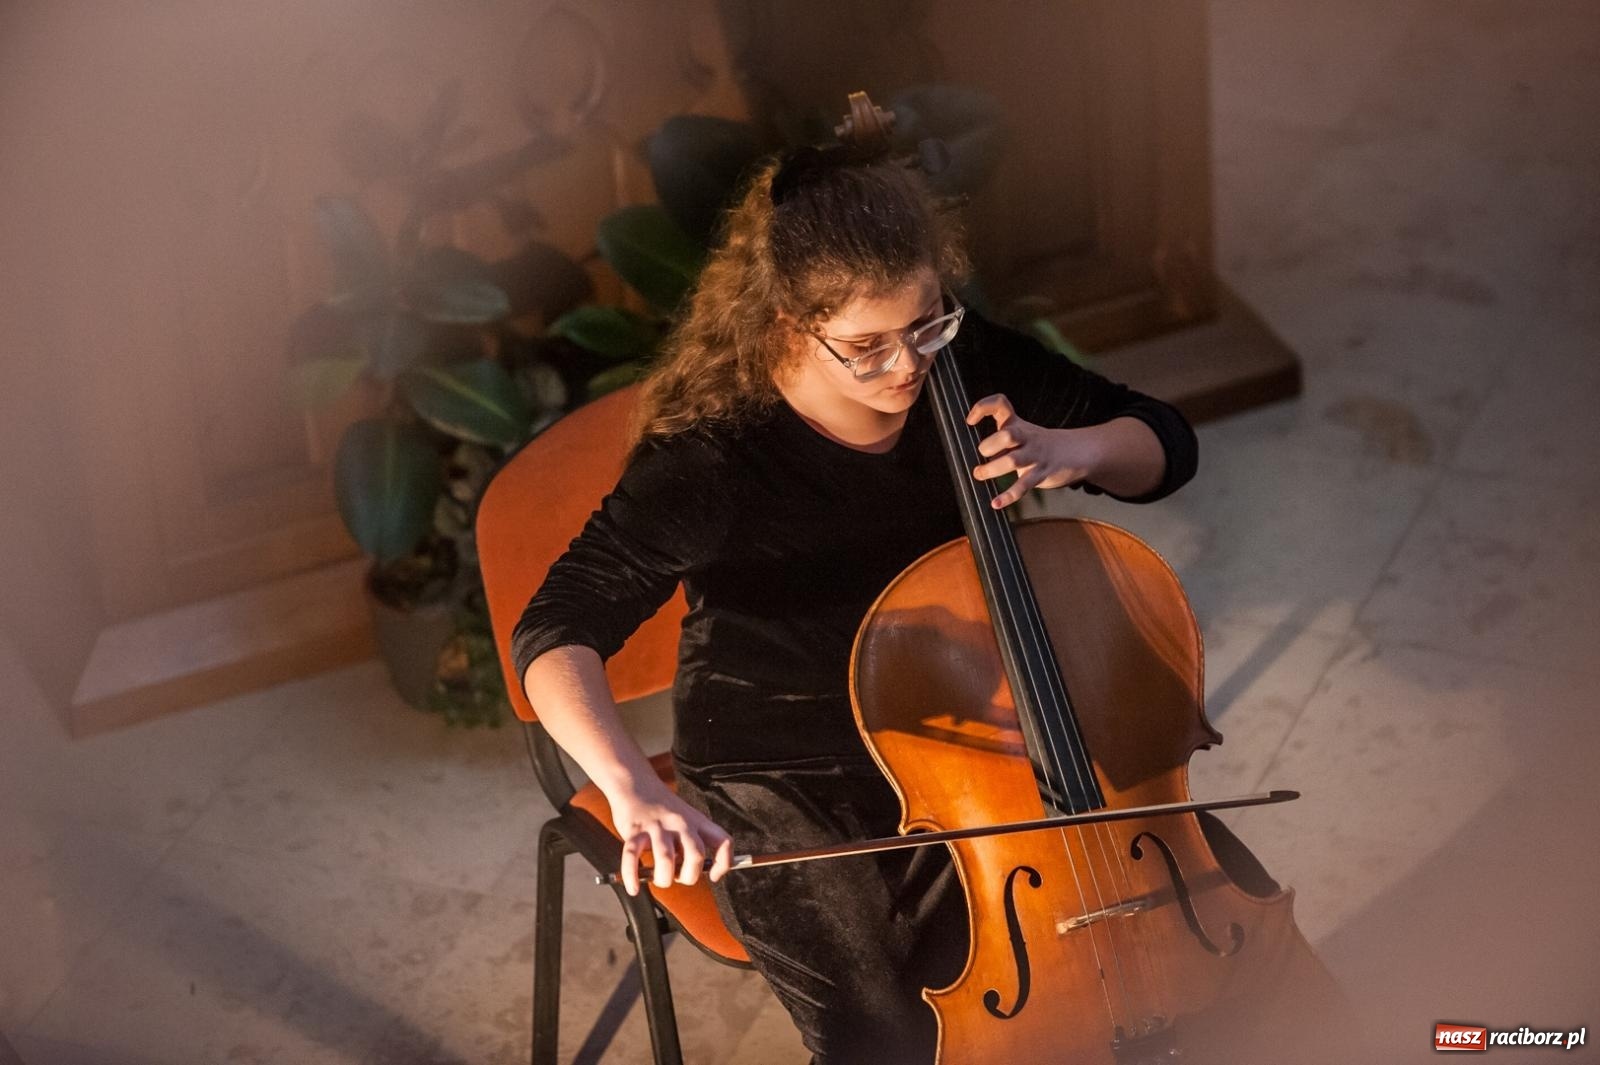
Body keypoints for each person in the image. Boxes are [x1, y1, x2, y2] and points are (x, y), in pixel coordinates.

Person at [512, 142, 1198, 1064]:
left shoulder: (961, 357)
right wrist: (631, 784)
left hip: (969, 730)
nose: (908, 366)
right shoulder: (714, 459)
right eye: (866, 347)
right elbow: (556, 626)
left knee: (1141, 945)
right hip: (791, 775)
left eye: (925, 325)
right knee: (889, 1038)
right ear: (790, 324)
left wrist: (1074, 450)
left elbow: (1167, 444)